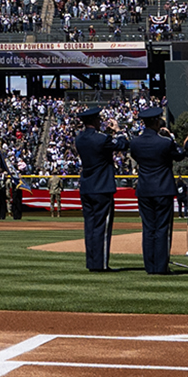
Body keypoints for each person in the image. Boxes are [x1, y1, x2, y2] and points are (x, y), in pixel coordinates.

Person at [125, 108, 182, 274]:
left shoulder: (135, 142)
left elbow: (136, 157)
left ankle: (150, 266)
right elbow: (178, 155)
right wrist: (170, 137)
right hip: (163, 188)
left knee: (148, 229)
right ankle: (161, 266)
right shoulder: (165, 142)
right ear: (157, 122)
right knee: (163, 228)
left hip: (144, 188)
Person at [70, 106, 118, 270]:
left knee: (90, 227)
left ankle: (92, 262)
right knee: (102, 228)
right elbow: (122, 144)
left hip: (87, 186)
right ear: (95, 120)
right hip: (102, 186)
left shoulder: (80, 138)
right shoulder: (102, 138)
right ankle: (101, 264)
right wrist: (117, 131)